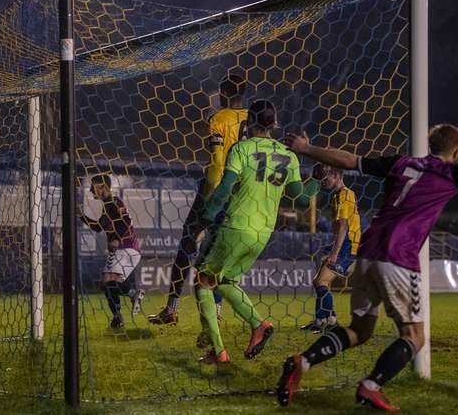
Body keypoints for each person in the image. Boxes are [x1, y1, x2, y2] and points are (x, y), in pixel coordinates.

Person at [277, 124, 458, 411]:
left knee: (360, 331)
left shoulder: (400, 162)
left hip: (367, 253)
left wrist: (305, 149)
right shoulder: (451, 172)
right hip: (399, 257)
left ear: (429, 144)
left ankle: (304, 361)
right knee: (414, 337)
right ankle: (371, 386)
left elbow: (350, 160)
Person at [193, 99, 315, 363]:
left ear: (248, 122)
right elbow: (301, 200)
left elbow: (225, 187)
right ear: (275, 124)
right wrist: (316, 180)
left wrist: (207, 215)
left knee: (203, 282)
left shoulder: (242, 148)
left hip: (236, 225)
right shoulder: (289, 155)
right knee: (225, 282)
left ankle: (219, 351)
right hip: (263, 233)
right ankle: (258, 327)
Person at [148, 74, 249, 327]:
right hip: (241, 194)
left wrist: (207, 196)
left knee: (187, 245)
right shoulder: (253, 119)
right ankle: (215, 313)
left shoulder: (218, 119)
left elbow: (216, 163)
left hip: (217, 190)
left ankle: (171, 309)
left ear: (224, 92)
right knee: (217, 256)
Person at [79, 174, 145, 330]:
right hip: (121, 249)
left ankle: (133, 294)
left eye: (93, 186)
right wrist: (81, 216)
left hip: (127, 247)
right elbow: (97, 227)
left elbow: (126, 221)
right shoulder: (106, 207)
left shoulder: (114, 202)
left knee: (108, 282)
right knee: (106, 284)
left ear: (103, 187)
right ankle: (117, 318)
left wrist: (116, 238)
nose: (89, 189)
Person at [300, 164, 361, 333]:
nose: (323, 181)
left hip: (347, 246)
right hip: (344, 244)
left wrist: (334, 253)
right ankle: (320, 320)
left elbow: (343, 226)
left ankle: (331, 321)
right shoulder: (337, 195)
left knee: (321, 281)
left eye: (326, 177)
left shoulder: (344, 195)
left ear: (337, 175)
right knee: (318, 281)